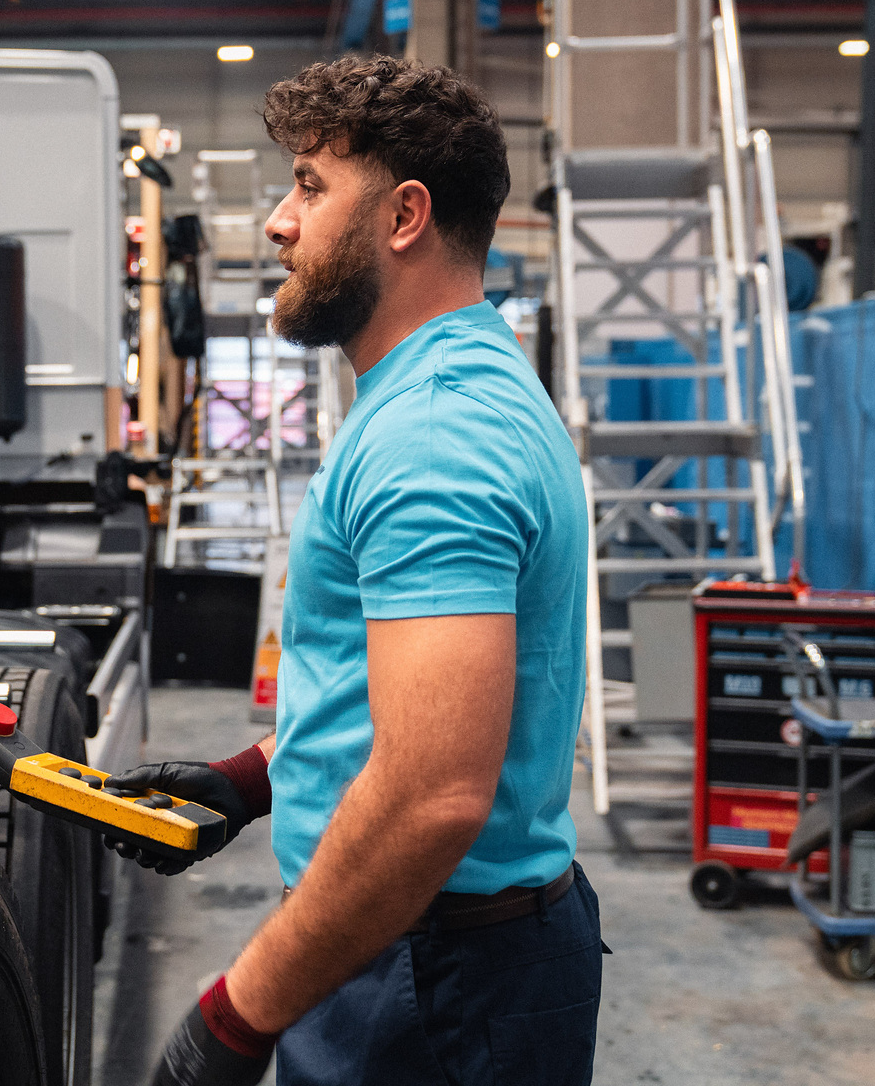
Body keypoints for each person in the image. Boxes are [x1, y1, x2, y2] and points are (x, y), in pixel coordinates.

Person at [107, 54, 602, 1086]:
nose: (282, 221)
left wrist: (238, 1015)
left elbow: (430, 795)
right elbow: (414, 702)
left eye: (311, 185)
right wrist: (253, 780)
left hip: (430, 975)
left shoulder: (435, 433)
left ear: (405, 214)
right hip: (439, 950)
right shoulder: (455, 381)